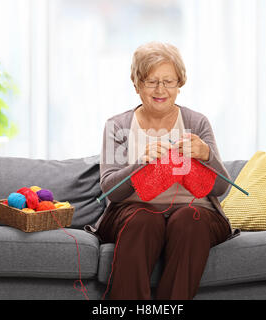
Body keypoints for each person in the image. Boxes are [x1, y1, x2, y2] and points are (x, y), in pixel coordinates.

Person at [87, 41, 239, 300]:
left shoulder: (196, 122)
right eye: (151, 81)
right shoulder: (118, 126)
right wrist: (140, 166)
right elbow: (110, 190)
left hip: (195, 212)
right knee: (144, 219)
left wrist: (207, 155)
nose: (161, 89)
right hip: (131, 212)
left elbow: (221, 188)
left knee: (190, 221)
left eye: (168, 81)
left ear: (180, 84)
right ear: (136, 85)